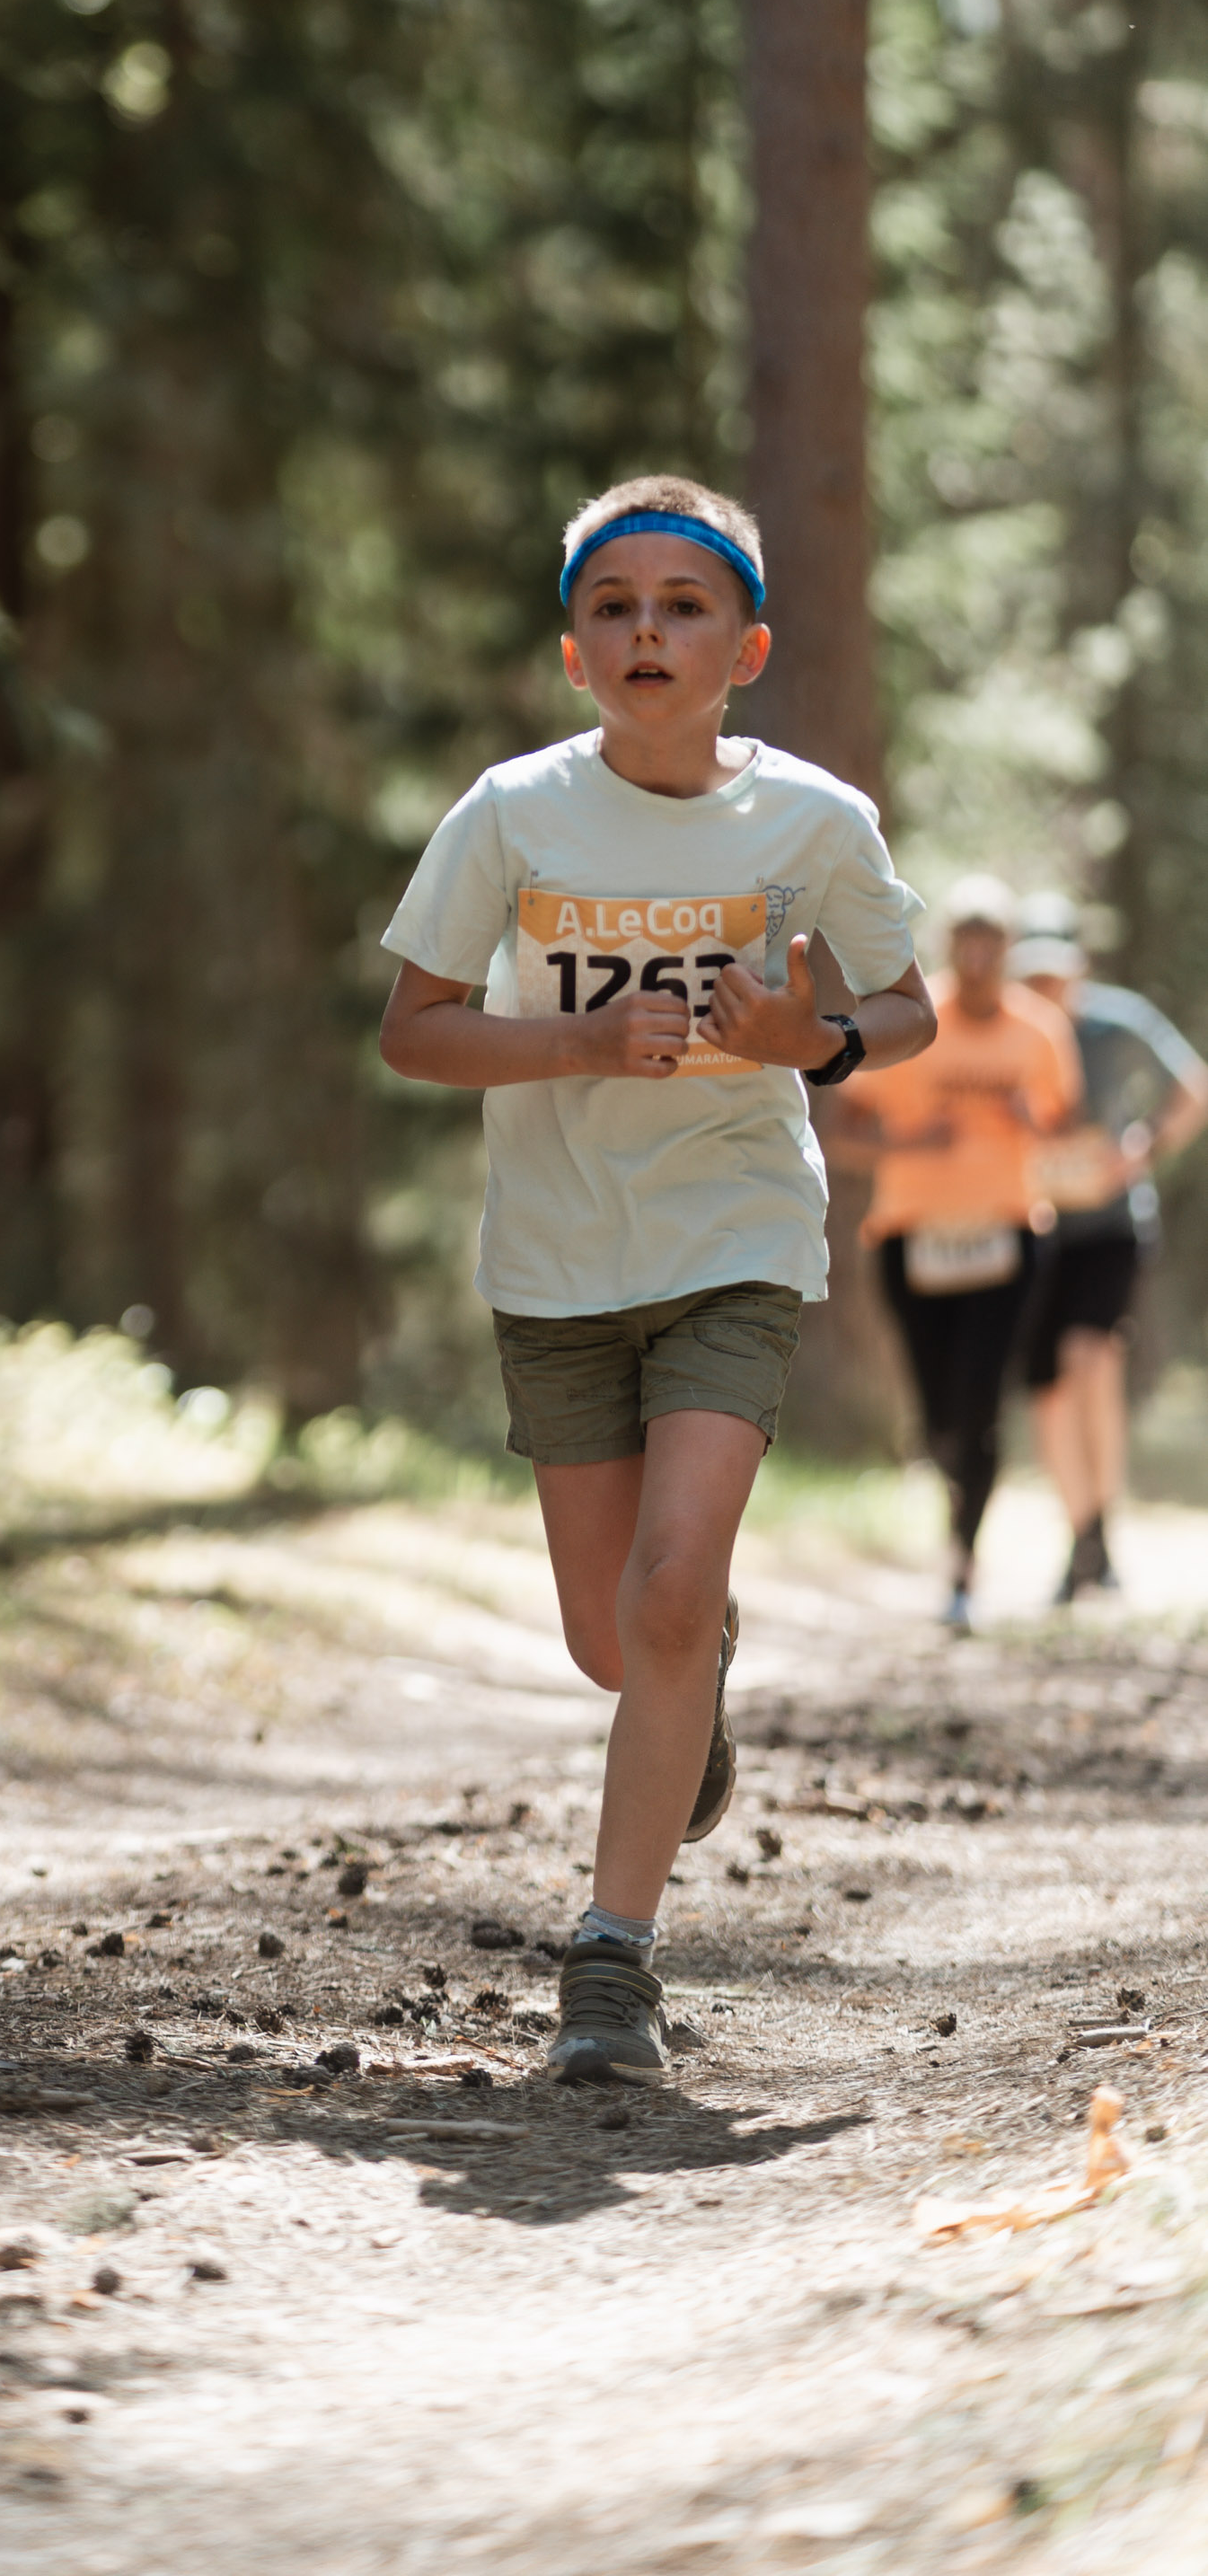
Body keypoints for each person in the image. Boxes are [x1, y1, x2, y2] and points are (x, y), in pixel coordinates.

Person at [378, 474, 932, 2086]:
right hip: (554, 1261)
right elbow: (410, 1027)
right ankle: (684, 1684)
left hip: (733, 1239)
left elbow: (903, 1014)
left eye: (680, 605)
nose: (645, 631)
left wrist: (809, 1040)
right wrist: (571, 1039)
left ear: (744, 647)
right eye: (612, 606)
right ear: (571, 652)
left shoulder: (814, 825)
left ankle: (609, 1966)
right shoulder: (509, 813)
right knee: (613, 1641)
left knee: (667, 1591)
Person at [825, 877, 1080, 1636]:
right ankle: (952, 1504)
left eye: (989, 941)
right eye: (963, 941)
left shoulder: (1037, 1032)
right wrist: (910, 1141)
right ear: (947, 949)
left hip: (1007, 1235)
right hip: (913, 1239)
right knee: (939, 1409)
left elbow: (1068, 1133)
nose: (975, 955)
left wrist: (1031, 1119)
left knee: (979, 1400)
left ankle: (963, 1564)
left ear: (1005, 951)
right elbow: (842, 1135)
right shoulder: (911, 1024)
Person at [1008, 894, 1208, 1603]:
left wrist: (1140, 1149)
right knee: (1049, 1390)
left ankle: (1102, 1531)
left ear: (1078, 967)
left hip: (1111, 1228)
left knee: (1089, 1359)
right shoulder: (1003, 1027)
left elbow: (1192, 1086)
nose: (1043, 988)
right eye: (1029, 974)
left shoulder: (1116, 1021)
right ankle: (1081, 1537)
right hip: (1028, 1228)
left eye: (1053, 973)